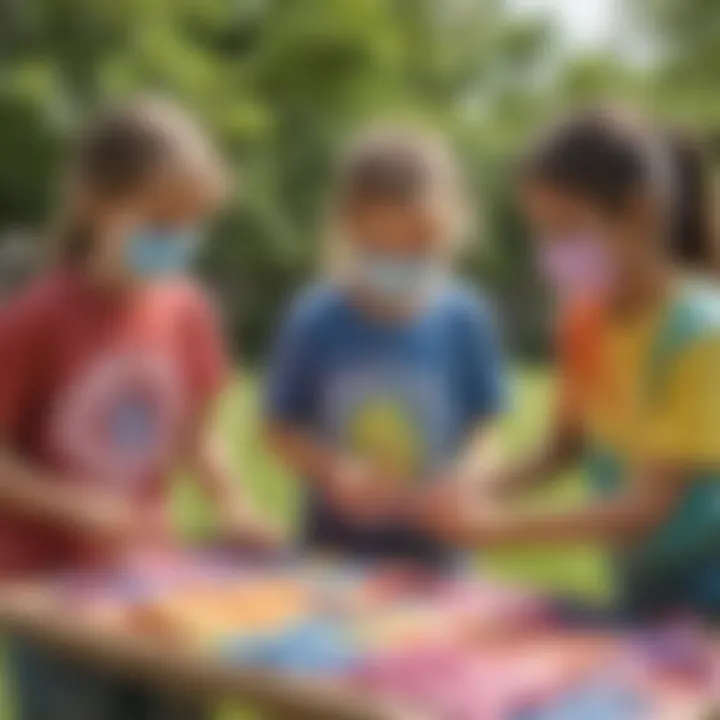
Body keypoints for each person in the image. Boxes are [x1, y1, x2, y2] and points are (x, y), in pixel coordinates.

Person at [0, 97, 278, 720]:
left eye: (193, 224)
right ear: (93, 203)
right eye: (159, 220)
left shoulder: (189, 310)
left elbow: (197, 434)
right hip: (53, 600)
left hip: (156, 580)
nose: (176, 240)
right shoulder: (35, 317)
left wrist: (232, 502)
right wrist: (69, 503)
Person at [419, 108, 720, 619]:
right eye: (542, 232)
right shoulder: (583, 321)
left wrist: (498, 528)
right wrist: (478, 486)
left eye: (566, 229)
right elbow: (565, 446)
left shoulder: (700, 336)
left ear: (641, 213)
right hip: (641, 569)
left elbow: (649, 504)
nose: (552, 253)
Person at [264, 125, 507, 567]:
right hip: (334, 553)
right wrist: (334, 470)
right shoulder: (316, 318)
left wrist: (468, 477)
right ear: (349, 229)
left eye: (417, 245)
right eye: (380, 244)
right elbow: (279, 429)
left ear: (451, 228)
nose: (398, 258)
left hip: (438, 554)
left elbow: (484, 427)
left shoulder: (464, 317)